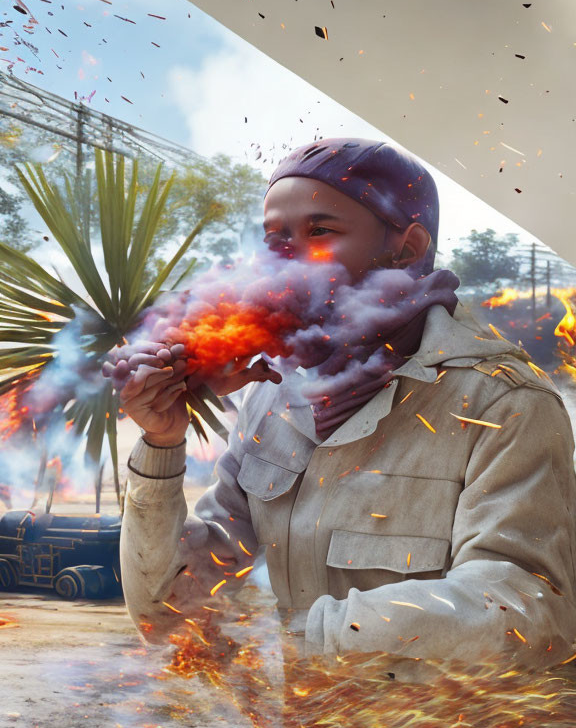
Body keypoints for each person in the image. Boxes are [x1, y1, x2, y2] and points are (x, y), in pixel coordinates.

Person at [116, 138, 576, 675]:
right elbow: (169, 610)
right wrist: (162, 442)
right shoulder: (272, 397)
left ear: (407, 247)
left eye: (319, 231)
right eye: (276, 237)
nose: (287, 257)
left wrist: (307, 639)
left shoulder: (500, 402)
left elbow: (521, 609)